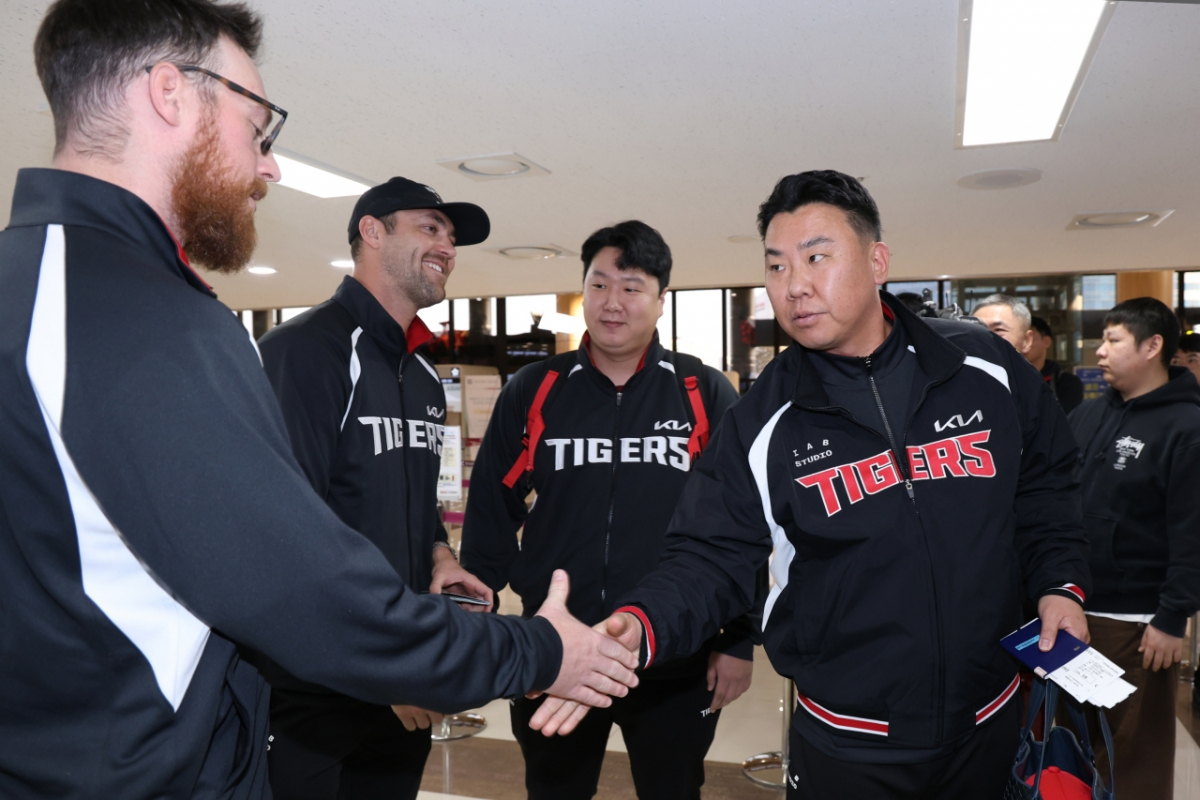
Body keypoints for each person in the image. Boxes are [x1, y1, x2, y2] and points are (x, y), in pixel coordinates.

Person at [0, 1, 638, 796]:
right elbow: (303, 589)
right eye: (257, 125)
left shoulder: (46, 290)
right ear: (169, 93)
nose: (268, 166)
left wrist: (434, 560)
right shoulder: (150, 323)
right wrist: (541, 651)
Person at [540, 171, 1094, 800]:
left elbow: (1046, 481)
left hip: (991, 723)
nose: (794, 285)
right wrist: (641, 624)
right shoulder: (759, 421)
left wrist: (1059, 583)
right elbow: (709, 556)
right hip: (848, 743)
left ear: (877, 262)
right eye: (776, 266)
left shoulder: (982, 366)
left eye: (816, 257)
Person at [461, 220, 755, 800]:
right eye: (598, 285)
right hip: (557, 644)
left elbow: (740, 525)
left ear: (661, 300)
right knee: (554, 790)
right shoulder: (535, 388)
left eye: (631, 287)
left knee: (673, 789)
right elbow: (492, 508)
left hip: (675, 653)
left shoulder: (702, 391)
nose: (611, 302)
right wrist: (475, 621)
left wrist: (739, 637)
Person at [257, 178, 495, 799]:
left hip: (399, 680)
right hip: (313, 689)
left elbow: (412, 503)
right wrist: (382, 667)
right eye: (430, 227)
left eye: (451, 236)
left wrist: (439, 556)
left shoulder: (422, 375)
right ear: (372, 232)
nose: (447, 247)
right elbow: (288, 533)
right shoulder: (304, 353)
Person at [1067, 297, 1200, 800]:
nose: (1100, 352)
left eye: (1112, 340)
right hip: (1076, 613)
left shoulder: (1186, 427)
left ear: (1152, 346)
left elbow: (1192, 530)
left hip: (1139, 625)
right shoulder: (1087, 414)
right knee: (1075, 749)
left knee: (1132, 757)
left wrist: (1172, 616)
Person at [1027, 316, 1084, 414]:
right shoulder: (1005, 378)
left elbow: (1065, 420)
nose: (1023, 344)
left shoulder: (1066, 383)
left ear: (1046, 342)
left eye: (1029, 338)